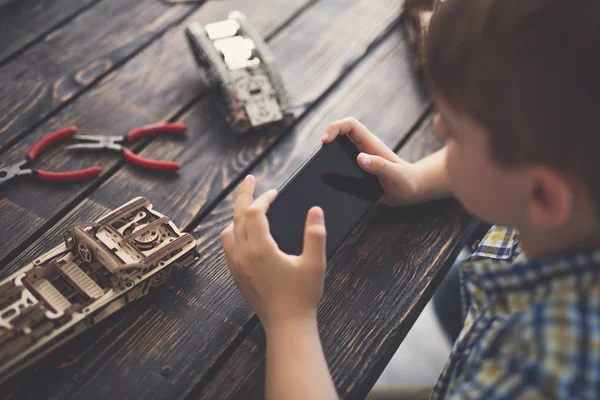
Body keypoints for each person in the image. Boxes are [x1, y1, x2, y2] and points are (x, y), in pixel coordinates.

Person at [219, 0, 600, 398]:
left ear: (541, 196)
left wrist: (288, 319)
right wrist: (417, 178)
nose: (436, 128)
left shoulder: (536, 373)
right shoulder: (577, 188)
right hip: (486, 299)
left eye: (453, 133)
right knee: (452, 298)